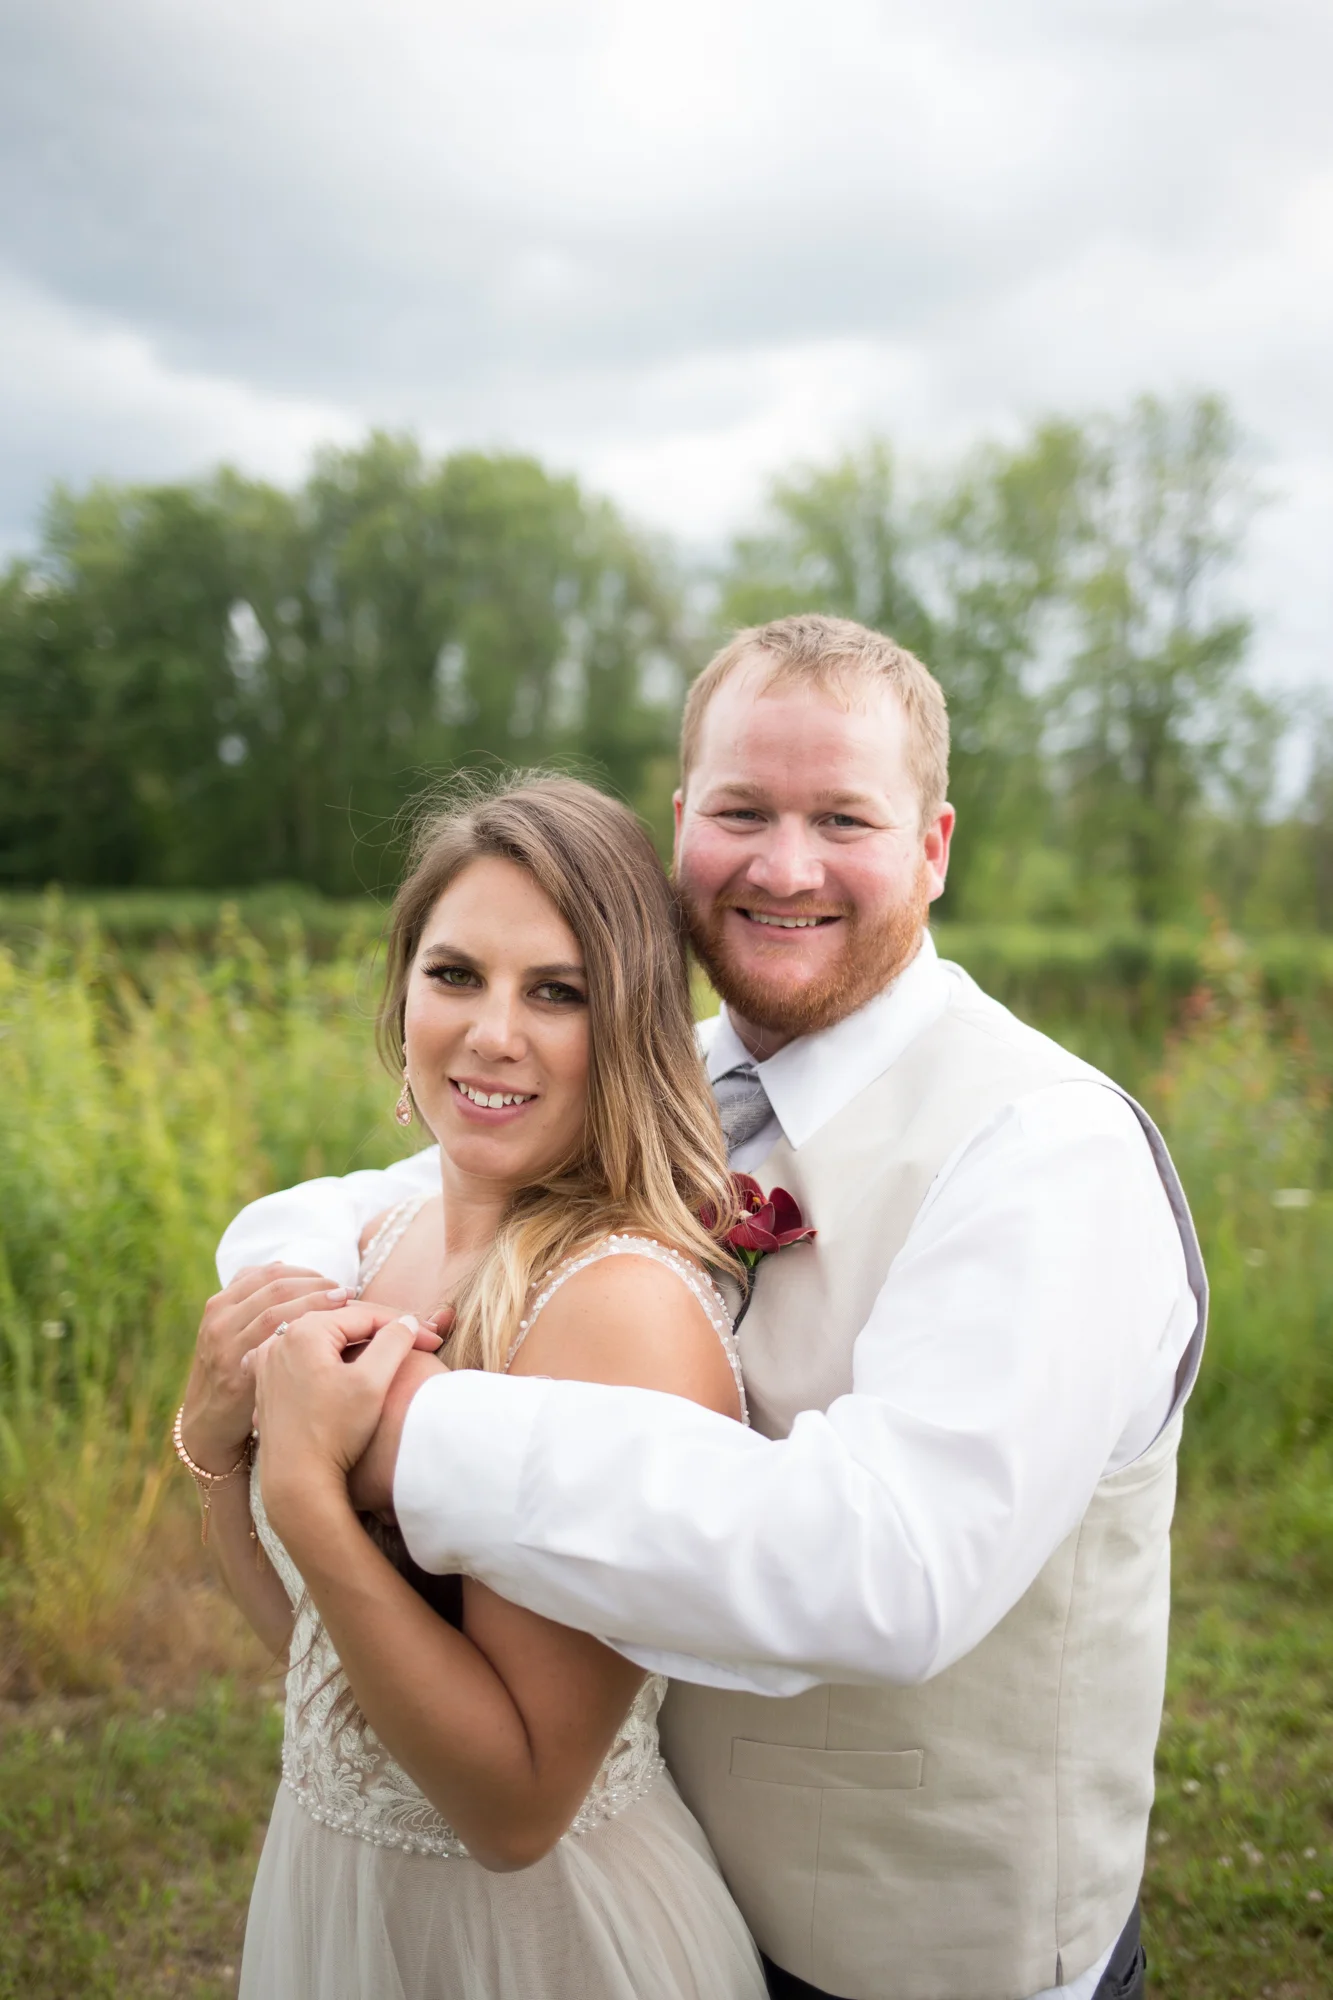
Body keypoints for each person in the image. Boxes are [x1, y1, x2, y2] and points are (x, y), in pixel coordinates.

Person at [219, 614, 1207, 2000]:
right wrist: (280, 1300)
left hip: (915, 1958)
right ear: (683, 824)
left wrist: (387, 1428)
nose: (783, 864)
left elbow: (893, 1571)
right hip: (660, 1897)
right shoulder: (657, 1071)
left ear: (932, 847)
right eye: (741, 809)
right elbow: (385, 1199)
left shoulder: (1044, 1153)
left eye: (842, 819)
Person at [178, 776, 768, 1999]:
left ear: (633, 1027)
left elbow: (515, 1804)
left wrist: (298, 1489)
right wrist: (210, 1439)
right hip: (337, 1894)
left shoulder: (615, 1306)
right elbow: (321, 1661)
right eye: (455, 974)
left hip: (539, 1940)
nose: (492, 1032)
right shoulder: (374, 1237)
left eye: (557, 991)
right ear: (402, 992)